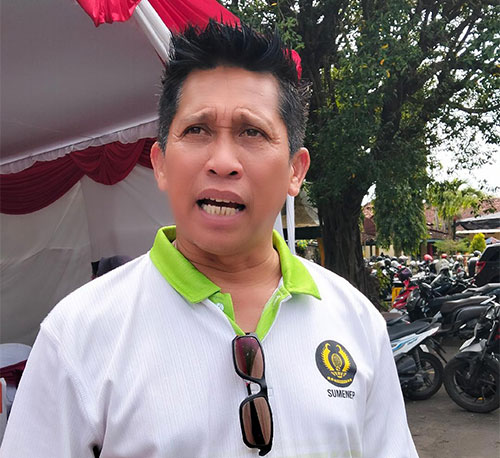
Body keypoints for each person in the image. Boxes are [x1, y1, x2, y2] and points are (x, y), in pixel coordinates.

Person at [1, 22, 417, 457]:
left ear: (295, 171)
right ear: (160, 163)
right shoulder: (77, 335)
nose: (222, 162)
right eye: (197, 130)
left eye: (252, 132)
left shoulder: (356, 322)